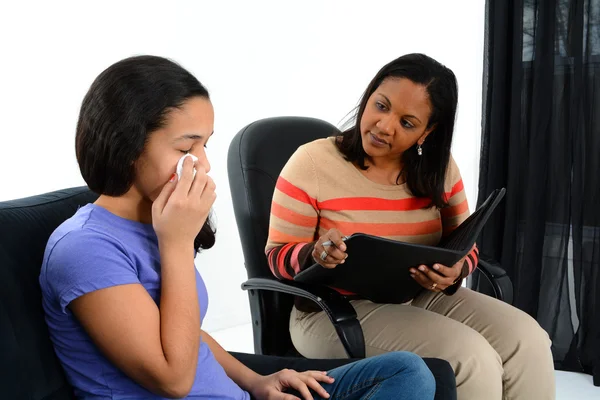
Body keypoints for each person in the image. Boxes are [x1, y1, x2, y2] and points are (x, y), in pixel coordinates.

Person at [39, 55, 440, 400]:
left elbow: (184, 332)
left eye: (205, 146)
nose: (204, 164)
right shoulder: (85, 249)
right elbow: (174, 380)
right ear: (127, 146)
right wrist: (176, 244)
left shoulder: (152, 224)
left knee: (408, 372)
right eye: (185, 148)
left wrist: (257, 382)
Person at [265, 53, 556, 400]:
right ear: (368, 96)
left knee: (529, 339)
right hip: (333, 311)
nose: (384, 126)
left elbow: (466, 245)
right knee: (471, 358)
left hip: (418, 296)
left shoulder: (440, 169)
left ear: (427, 132)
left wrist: (458, 267)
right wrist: (316, 254)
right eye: (381, 105)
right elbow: (276, 256)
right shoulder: (312, 162)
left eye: (407, 122)